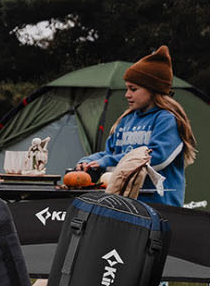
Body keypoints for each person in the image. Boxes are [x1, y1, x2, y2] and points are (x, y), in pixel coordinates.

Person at [73, 46, 198, 207]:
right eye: (127, 88)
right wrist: (89, 161)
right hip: (126, 204)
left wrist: (106, 161)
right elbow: (110, 153)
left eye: (133, 89)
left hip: (159, 207)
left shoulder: (166, 119)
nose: (127, 94)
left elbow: (157, 158)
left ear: (153, 90)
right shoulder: (126, 120)